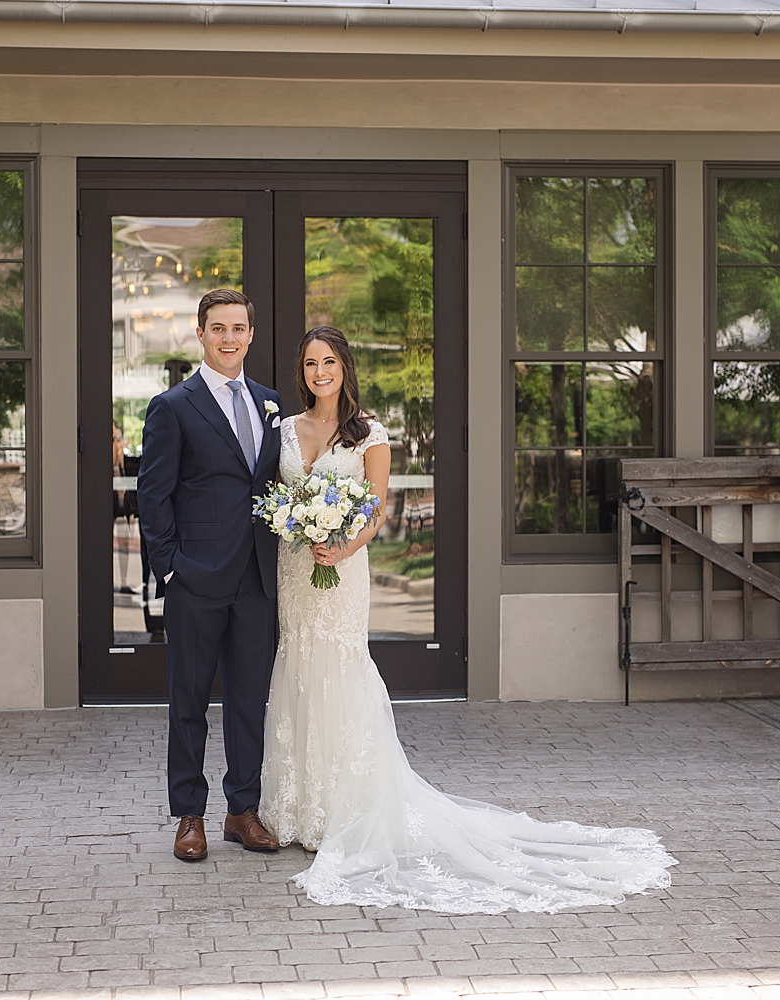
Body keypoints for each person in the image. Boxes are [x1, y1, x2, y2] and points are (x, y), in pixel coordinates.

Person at [260, 326, 677, 913]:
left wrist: (342, 548)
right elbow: (278, 500)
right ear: (300, 371)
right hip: (295, 574)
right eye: (309, 363)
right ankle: (297, 808)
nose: (319, 372)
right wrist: (296, 525)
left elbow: (374, 511)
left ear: (345, 367)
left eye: (329, 361)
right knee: (298, 669)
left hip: (341, 572)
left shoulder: (369, 434)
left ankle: (342, 809)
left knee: (339, 673)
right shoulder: (284, 429)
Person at [137, 288, 284, 861]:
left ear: (251, 334)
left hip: (256, 579)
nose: (229, 338)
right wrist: (170, 569)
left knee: (250, 699)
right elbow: (155, 497)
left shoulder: (270, 402)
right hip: (195, 578)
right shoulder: (173, 406)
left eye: (238, 328)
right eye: (218, 328)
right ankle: (189, 815)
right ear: (200, 334)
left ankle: (241, 810)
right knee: (189, 701)